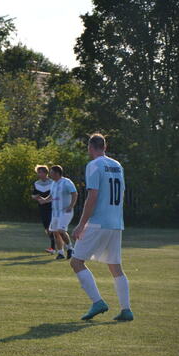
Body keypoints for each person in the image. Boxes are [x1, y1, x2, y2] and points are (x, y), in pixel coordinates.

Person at [71, 133, 133, 321]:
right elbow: (121, 192)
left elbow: (93, 196)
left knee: (76, 262)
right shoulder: (117, 165)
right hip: (115, 223)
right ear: (104, 147)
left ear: (91, 147)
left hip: (98, 222)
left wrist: (81, 225)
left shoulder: (93, 165)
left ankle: (97, 302)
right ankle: (126, 309)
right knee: (115, 267)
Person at [40, 165, 78, 260]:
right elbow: (51, 196)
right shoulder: (53, 183)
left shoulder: (66, 182)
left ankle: (70, 248)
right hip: (55, 212)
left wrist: (71, 206)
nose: (50, 175)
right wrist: (44, 200)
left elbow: (74, 193)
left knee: (61, 231)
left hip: (66, 211)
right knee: (55, 232)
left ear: (57, 173)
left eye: (51, 173)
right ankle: (61, 253)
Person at [31, 165, 55, 254]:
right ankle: (55, 245)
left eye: (40, 172)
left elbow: (55, 195)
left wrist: (46, 200)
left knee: (51, 226)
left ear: (45, 173)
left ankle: (54, 247)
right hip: (42, 208)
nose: (38, 174)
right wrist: (36, 198)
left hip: (52, 207)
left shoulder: (53, 182)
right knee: (47, 228)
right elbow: (33, 195)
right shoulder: (36, 183)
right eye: (38, 172)